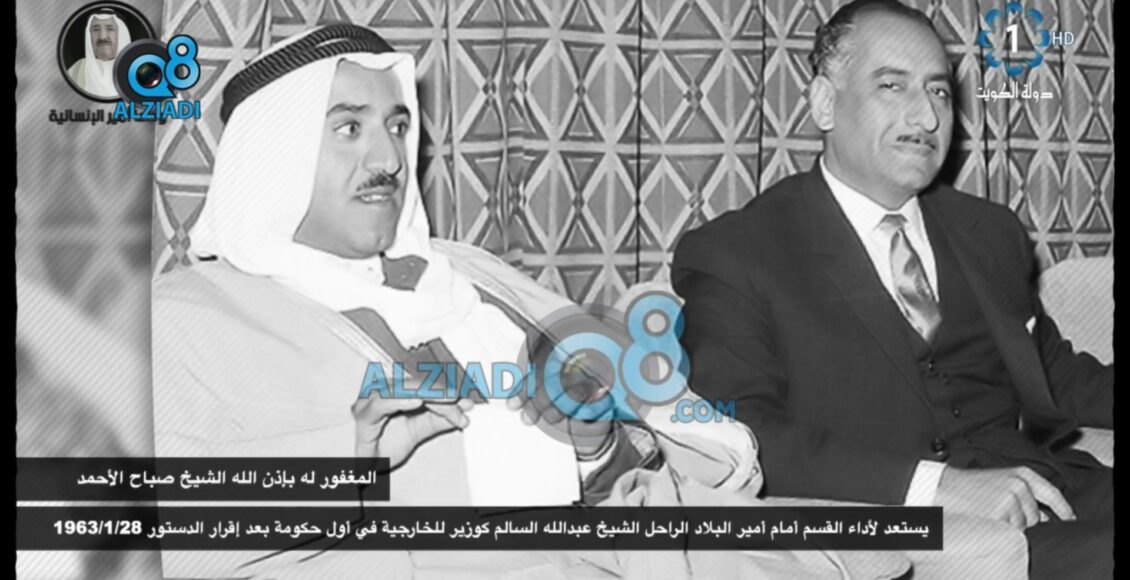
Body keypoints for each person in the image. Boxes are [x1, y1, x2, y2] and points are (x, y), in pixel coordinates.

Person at [153, 24, 906, 580]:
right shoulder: (193, 317)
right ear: (275, 156)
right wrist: (359, 463)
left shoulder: (467, 270)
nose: (387, 158)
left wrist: (595, 443)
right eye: (348, 128)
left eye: (397, 125)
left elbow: (665, 430)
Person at [671, 1, 1113, 578]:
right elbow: (740, 432)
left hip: (1050, 490)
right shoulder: (738, 253)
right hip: (926, 530)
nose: (927, 117)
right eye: (891, 85)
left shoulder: (989, 232)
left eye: (938, 92)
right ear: (824, 103)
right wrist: (932, 486)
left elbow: (1055, 374)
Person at [66, 9, 130, 98]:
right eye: (96, 29)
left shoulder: (137, 71)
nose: (102, 36)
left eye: (110, 29)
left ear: (121, 34)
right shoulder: (77, 69)